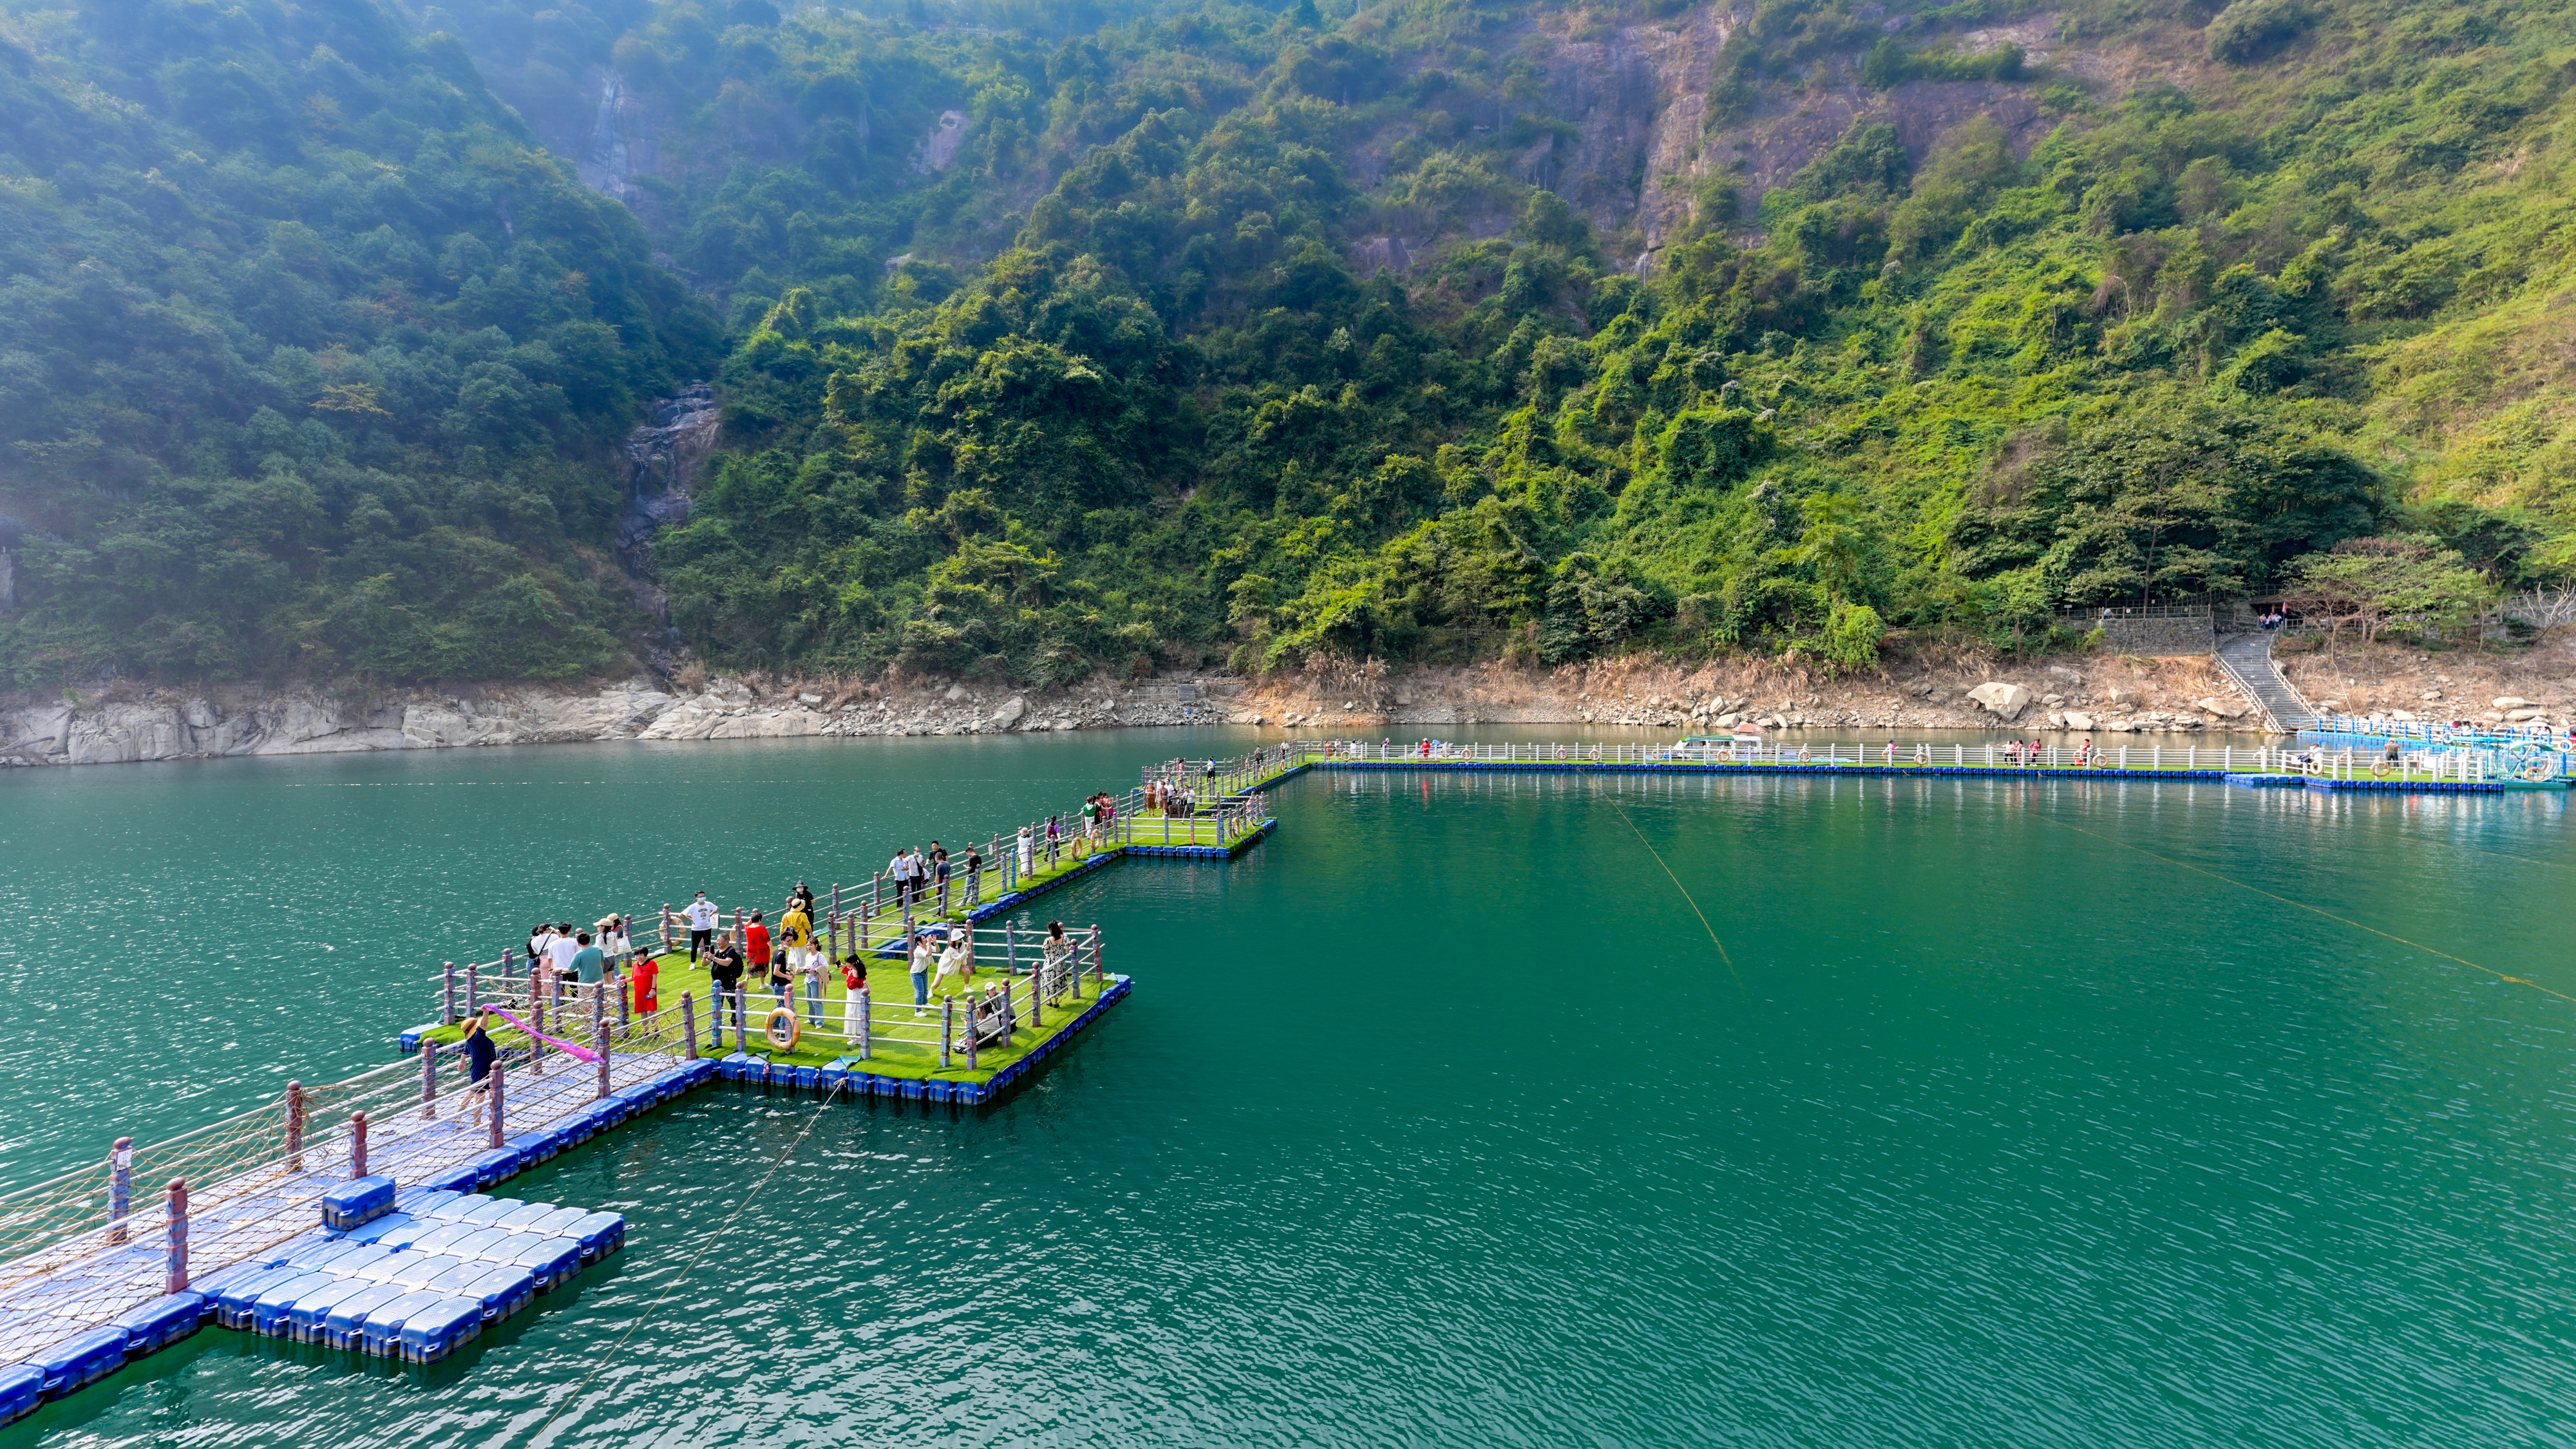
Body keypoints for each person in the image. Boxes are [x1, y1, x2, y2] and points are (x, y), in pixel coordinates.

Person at [706, 931, 746, 1048]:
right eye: (717, 940)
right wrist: (706, 957)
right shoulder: (718, 952)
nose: (718, 942)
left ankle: (735, 1023)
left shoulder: (731, 952)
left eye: (720, 940)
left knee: (733, 1003)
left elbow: (728, 963)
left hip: (729, 982)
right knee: (718, 1004)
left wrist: (713, 958)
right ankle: (717, 1022)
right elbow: (705, 964)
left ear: (727, 941)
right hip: (718, 984)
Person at [460, 1010, 499, 1099]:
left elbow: (465, 1052)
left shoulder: (470, 1041)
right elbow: (484, 1025)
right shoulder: (479, 1037)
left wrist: (462, 1062)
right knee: (480, 1095)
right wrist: (486, 1012)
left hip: (478, 1068)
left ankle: (460, 1111)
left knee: (474, 1090)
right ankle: (477, 1113)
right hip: (482, 1069)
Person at [936, 929, 975, 1001]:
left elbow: (963, 952)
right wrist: (968, 947)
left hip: (957, 962)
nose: (961, 939)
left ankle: (967, 988)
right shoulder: (950, 949)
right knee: (937, 983)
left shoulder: (961, 942)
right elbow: (959, 957)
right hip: (947, 964)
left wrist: (964, 964)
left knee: (967, 971)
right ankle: (932, 990)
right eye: (959, 938)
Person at [908, 929, 938, 1016]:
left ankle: (925, 1003)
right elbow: (928, 954)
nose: (926, 939)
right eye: (924, 939)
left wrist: (935, 942)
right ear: (919, 942)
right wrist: (929, 943)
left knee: (925, 990)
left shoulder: (927, 946)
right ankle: (918, 1011)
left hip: (924, 971)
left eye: (926, 938)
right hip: (916, 973)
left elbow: (938, 950)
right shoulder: (918, 950)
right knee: (920, 992)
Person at [1041, 919, 1074, 998]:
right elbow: (1067, 950)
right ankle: (1056, 1001)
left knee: (1049, 979)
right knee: (1058, 979)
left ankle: (1049, 1000)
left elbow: (1046, 952)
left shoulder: (1048, 940)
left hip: (1050, 961)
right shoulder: (1064, 937)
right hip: (1060, 960)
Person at [683, 892, 718, 961]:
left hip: (707, 928)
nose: (702, 898)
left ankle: (709, 960)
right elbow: (682, 915)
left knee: (708, 945)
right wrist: (691, 919)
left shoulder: (709, 904)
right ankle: (693, 962)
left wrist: (711, 914)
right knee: (694, 947)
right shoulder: (693, 906)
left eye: (703, 896)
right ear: (697, 898)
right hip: (697, 929)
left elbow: (716, 909)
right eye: (700, 896)